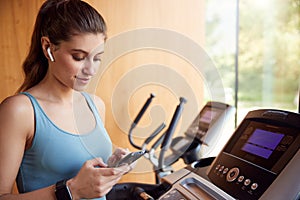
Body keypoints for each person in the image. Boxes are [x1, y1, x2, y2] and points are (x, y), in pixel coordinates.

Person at [0, 0, 132, 199]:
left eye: (97, 58)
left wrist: (112, 165)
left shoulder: (95, 105)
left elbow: (89, 177)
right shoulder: (20, 111)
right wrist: (71, 191)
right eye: (79, 57)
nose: (91, 70)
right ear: (48, 48)